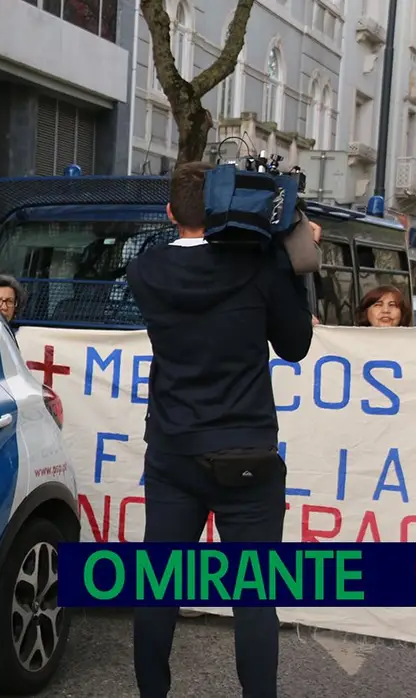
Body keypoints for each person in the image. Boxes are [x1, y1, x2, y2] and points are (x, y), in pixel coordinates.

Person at [125, 161, 316, 698]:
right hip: (247, 454)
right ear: (226, 205)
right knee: (255, 599)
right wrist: (287, 255)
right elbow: (295, 344)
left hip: (173, 451)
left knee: (157, 590)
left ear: (169, 213)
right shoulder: (257, 263)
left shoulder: (145, 271)